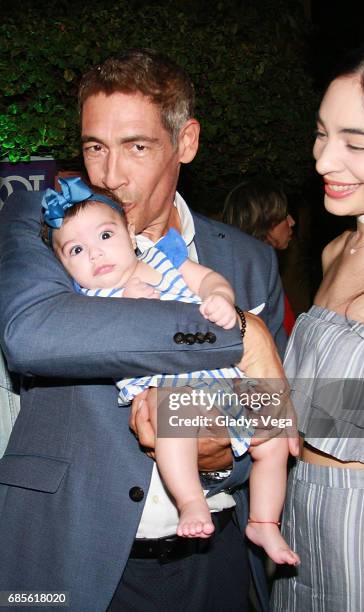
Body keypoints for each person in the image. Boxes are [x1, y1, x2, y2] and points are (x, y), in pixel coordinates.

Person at [0, 48, 293, 612]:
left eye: (136, 146)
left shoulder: (250, 261)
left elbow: (279, 409)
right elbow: (35, 333)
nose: (108, 174)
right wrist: (236, 336)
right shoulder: (46, 221)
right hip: (73, 558)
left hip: (215, 565)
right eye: (94, 147)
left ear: (185, 143)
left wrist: (223, 454)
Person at [40, 176, 300, 563]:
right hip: (165, 386)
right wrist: (130, 308)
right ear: (62, 265)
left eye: (106, 236)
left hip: (221, 377)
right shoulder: (89, 299)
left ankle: (264, 521)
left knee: (274, 438)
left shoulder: (163, 260)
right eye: (77, 249)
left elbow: (207, 278)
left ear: (130, 232)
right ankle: (191, 500)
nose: (96, 255)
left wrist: (219, 297)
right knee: (173, 420)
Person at [271, 38, 364, 612]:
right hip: (296, 510)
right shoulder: (334, 251)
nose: (324, 160)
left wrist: (190, 412)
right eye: (323, 133)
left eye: (355, 141)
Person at [223, 178, 296, 333]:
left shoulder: (252, 271)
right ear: (264, 222)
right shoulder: (251, 281)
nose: (292, 222)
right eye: (284, 216)